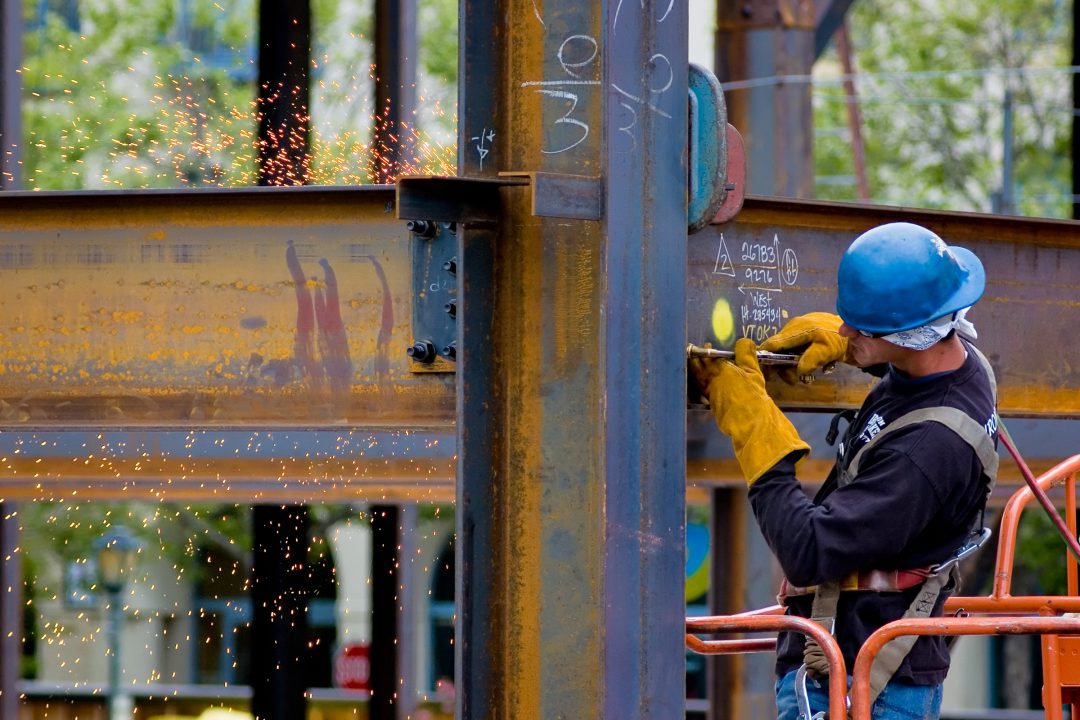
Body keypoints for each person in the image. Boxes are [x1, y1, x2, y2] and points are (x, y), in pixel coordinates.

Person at [690, 222, 998, 720]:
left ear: (911, 333)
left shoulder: (929, 450)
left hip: (860, 684)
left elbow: (809, 551)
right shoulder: (960, 364)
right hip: (858, 665)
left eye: (860, 328)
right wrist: (858, 351)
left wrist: (757, 432)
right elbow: (910, 373)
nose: (844, 331)